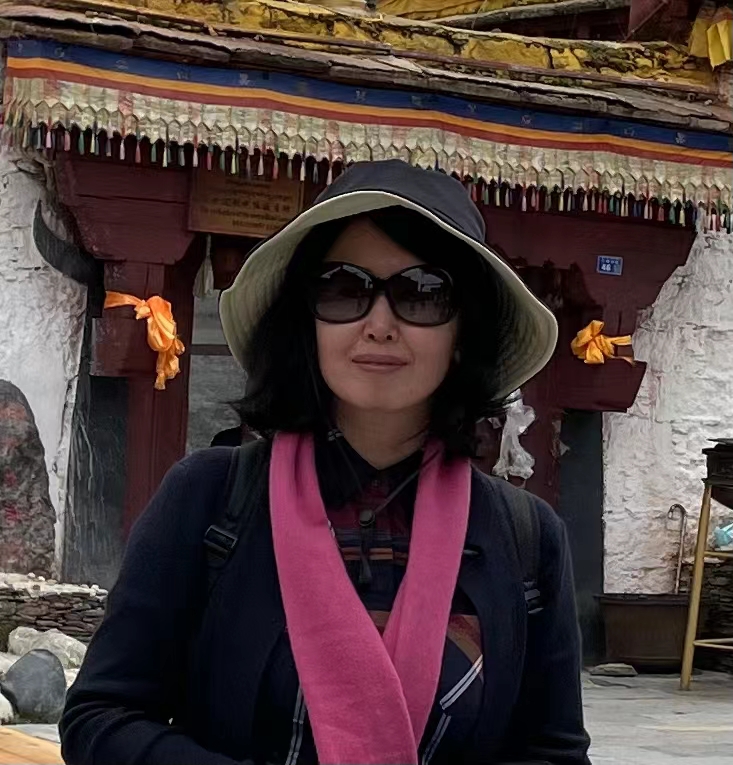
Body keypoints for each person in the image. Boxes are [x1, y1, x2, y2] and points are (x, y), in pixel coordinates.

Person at [60, 160, 591, 765]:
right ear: (305, 320)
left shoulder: (525, 539)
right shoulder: (208, 501)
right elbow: (101, 719)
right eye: (344, 289)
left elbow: (554, 753)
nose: (380, 325)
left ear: (464, 331)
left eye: (423, 293)